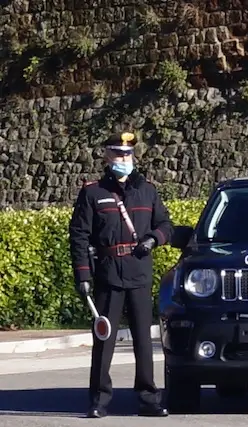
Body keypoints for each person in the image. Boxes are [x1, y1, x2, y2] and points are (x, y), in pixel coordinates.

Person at [68, 132, 173, 418]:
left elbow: (165, 224)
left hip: (139, 273)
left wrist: (154, 239)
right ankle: (99, 400)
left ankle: (148, 398)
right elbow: (79, 235)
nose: (123, 159)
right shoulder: (92, 192)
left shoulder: (147, 190)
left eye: (127, 154)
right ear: (107, 156)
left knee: (143, 340)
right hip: (108, 275)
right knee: (104, 341)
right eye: (118, 154)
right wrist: (83, 275)